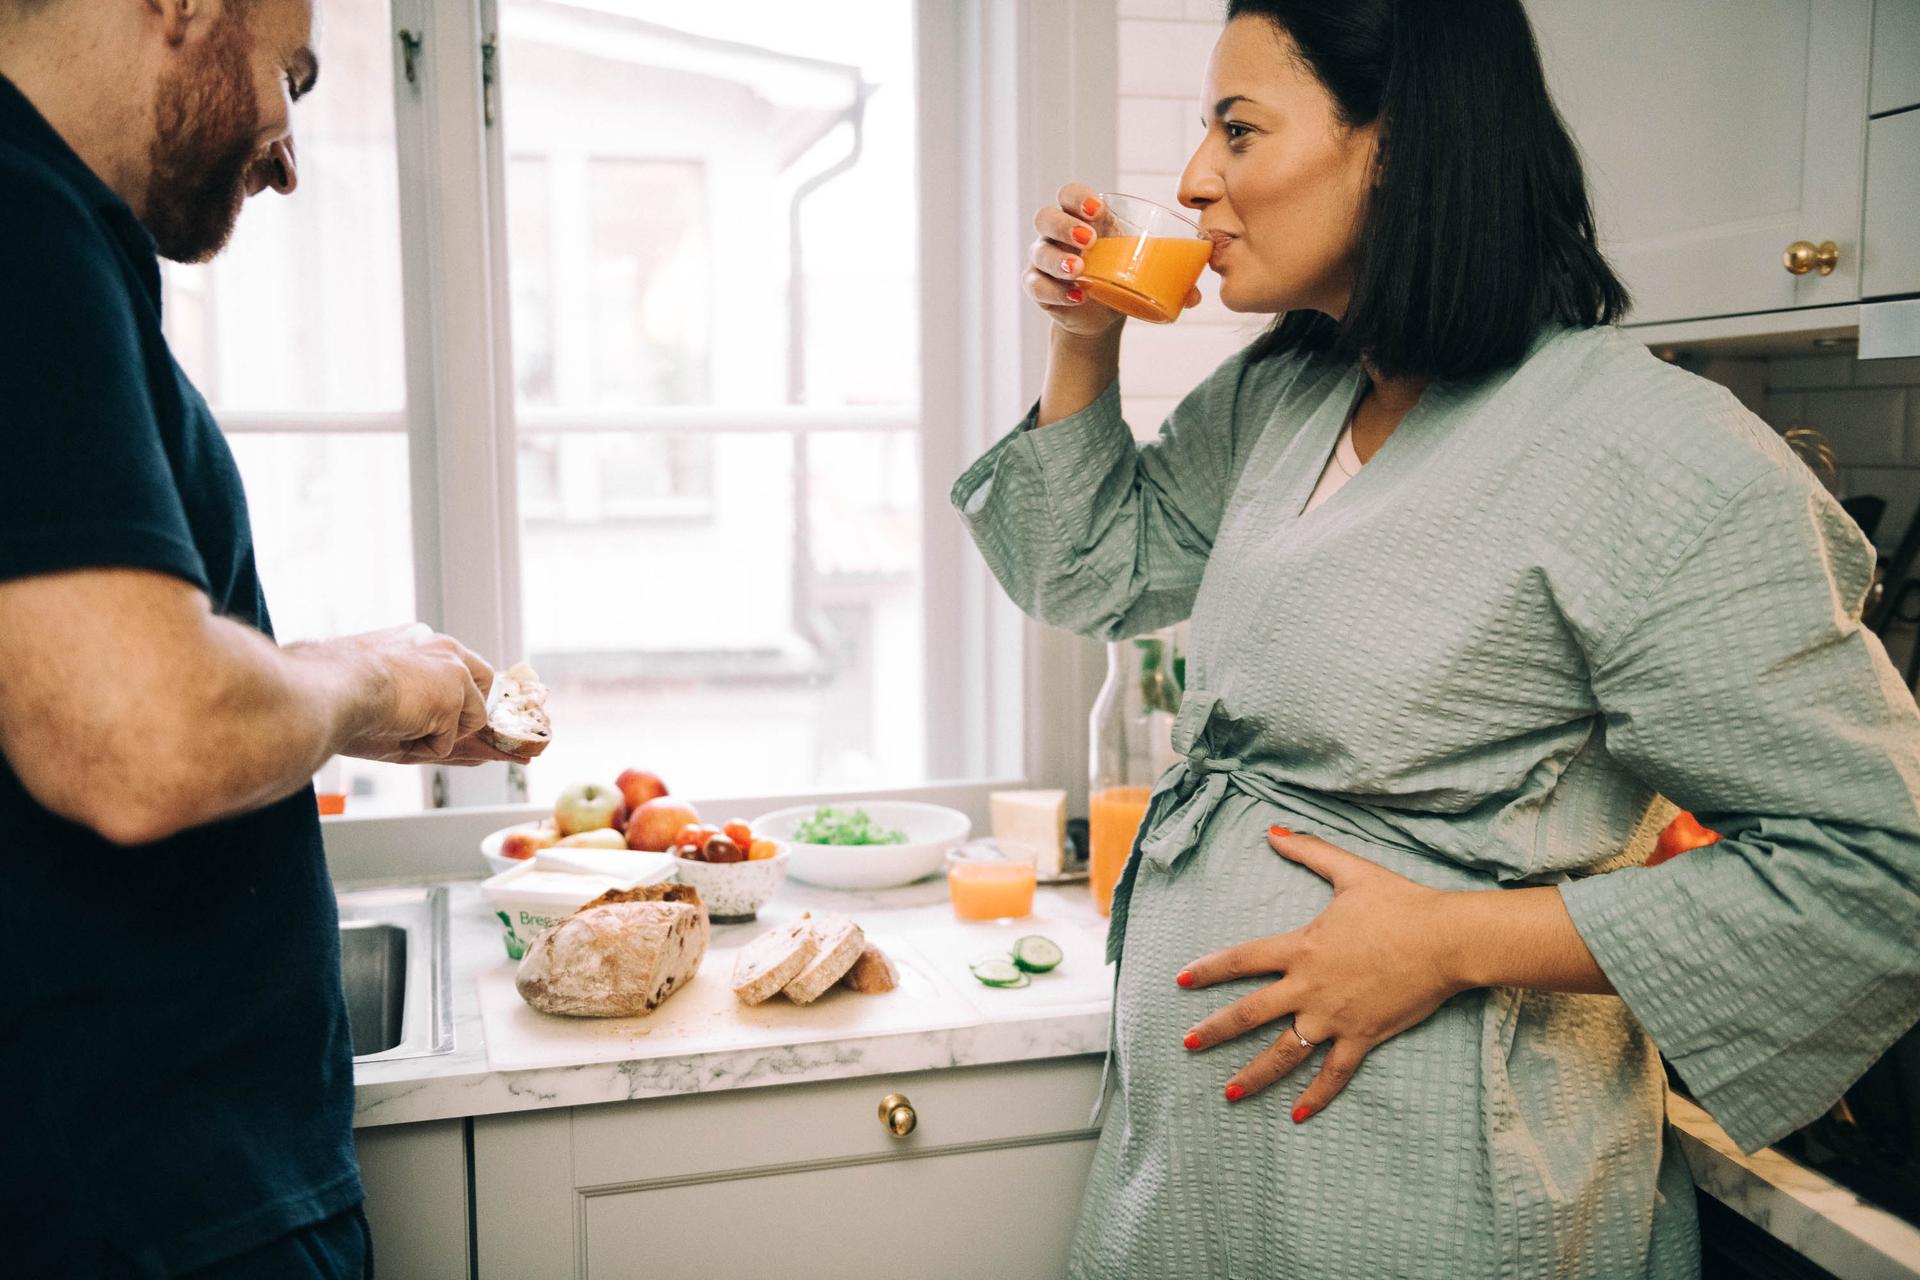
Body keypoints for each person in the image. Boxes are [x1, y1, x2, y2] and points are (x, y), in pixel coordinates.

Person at [952, 1, 1920, 1275]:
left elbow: (1880, 870)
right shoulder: (1286, 394)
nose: (1196, 182)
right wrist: (1087, 335)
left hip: (1440, 1185)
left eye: (1238, 130)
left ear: (1398, 146)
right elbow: (1086, 566)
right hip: (1200, 1176)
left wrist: (1449, 940)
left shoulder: (1654, 453)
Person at [0, 1, 531, 1274]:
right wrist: (367, 677)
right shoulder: (24, 227)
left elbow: (98, 675)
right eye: (288, 72)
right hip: (151, 1204)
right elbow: (139, 736)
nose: (288, 151)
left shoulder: (61, 242)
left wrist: (354, 697)